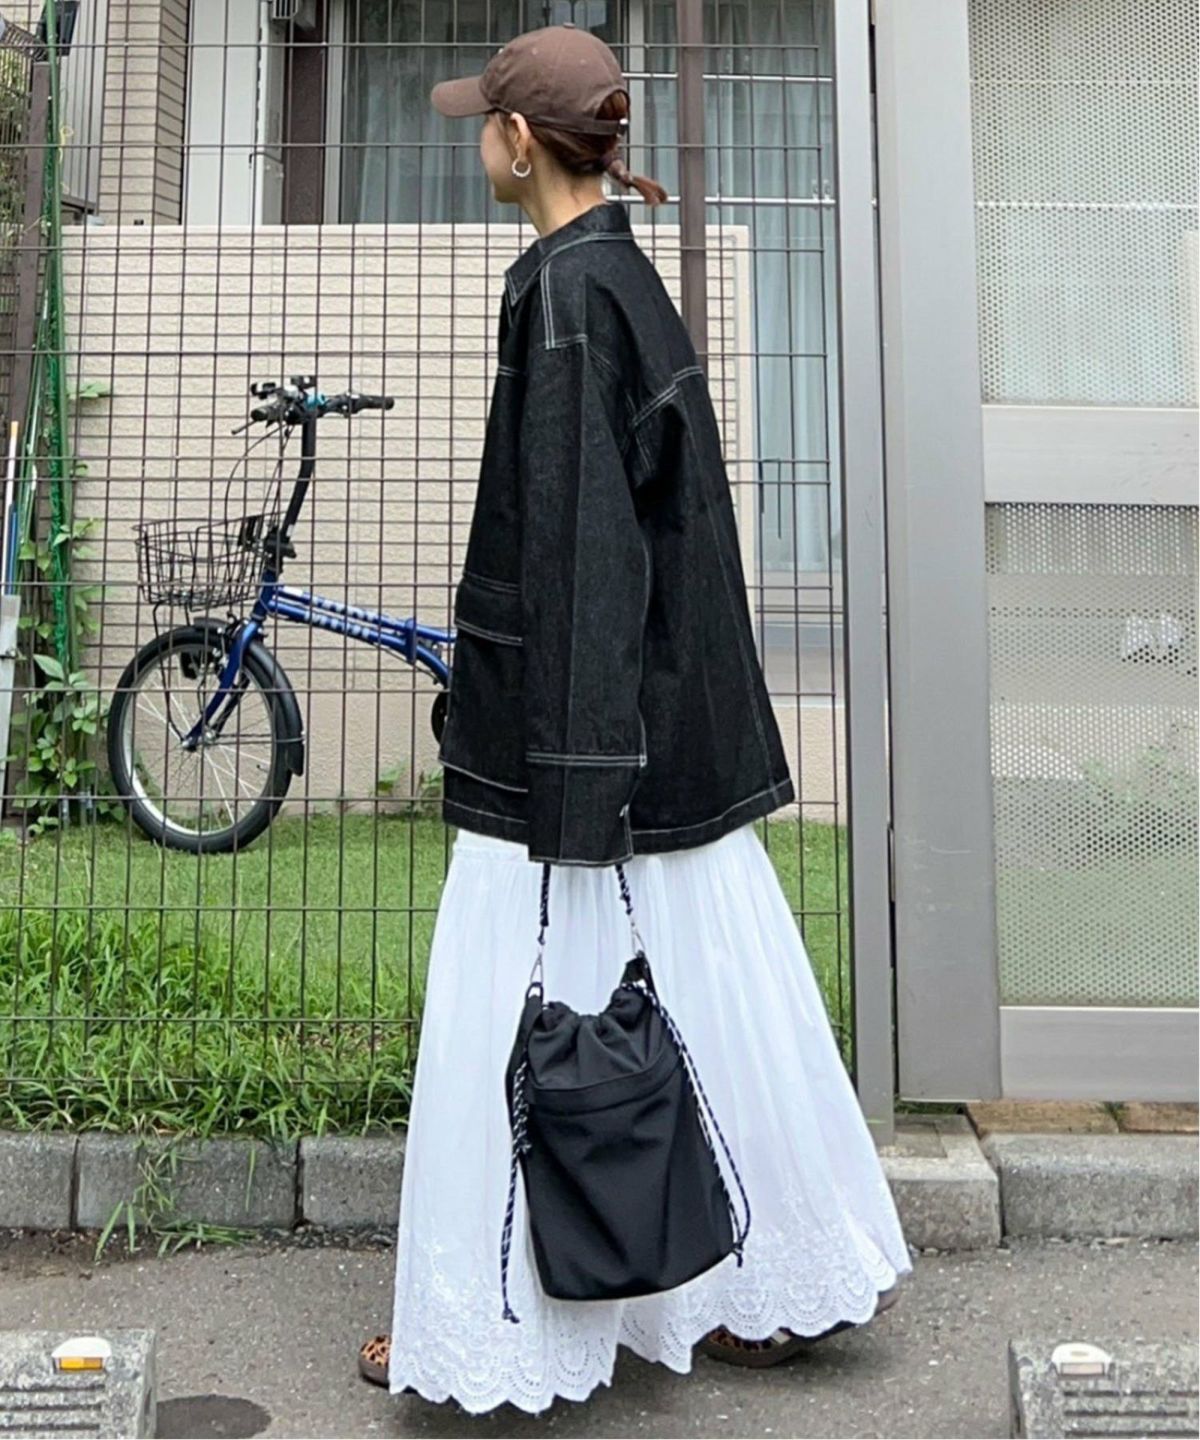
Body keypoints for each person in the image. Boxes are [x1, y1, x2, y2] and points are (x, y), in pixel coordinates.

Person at [357, 25, 910, 1414]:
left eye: (483, 124)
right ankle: (773, 1272)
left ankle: (486, 1320)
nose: (475, 143)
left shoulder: (568, 295)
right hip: (657, 720)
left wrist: (573, 782)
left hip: (577, 733)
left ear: (520, 142)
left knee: (516, 1004)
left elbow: (584, 557)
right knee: (710, 989)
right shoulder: (613, 277)